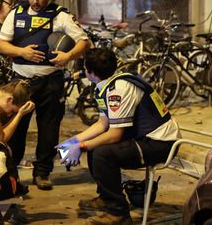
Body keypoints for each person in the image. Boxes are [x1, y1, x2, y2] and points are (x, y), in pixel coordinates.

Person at [56, 48, 181, 224]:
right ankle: (106, 199)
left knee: (102, 153)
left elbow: (114, 135)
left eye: (84, 67)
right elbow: (102, 124)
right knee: (95, 147)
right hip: (147, 138)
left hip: (161, 144)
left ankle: (118, 213)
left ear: (89, 72)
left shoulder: (118, 90)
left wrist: (82, 146)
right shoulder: (106, 85)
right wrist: (75, 140)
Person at [0, 0, 90, 190]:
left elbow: (84, 41)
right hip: (20, 82)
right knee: (16, 129)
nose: (35, 2)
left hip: (51, 82)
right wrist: (22, 53)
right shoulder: (17, 12)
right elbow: (1, 44)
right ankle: (11, 174)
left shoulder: (61, 15)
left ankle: (42, 173)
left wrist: (68, 55)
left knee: (49, 129)